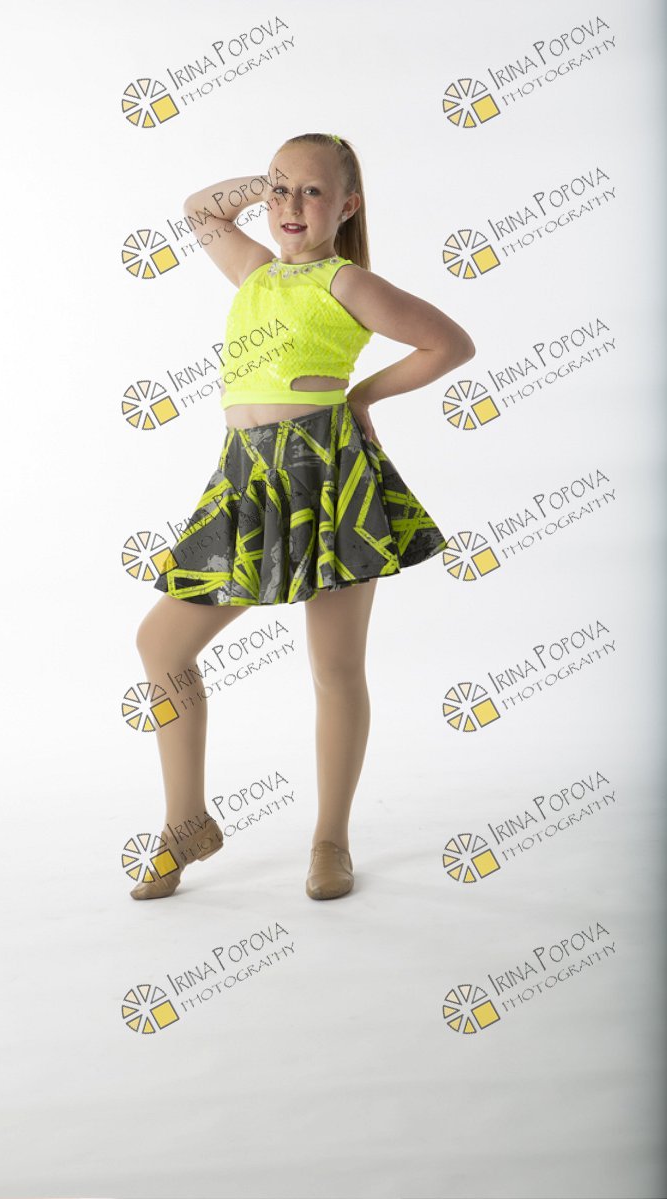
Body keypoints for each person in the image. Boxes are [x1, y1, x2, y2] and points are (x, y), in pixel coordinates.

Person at [131, 132, 475, 902]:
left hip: (328, 473)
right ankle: (187, 822)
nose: (290, 204)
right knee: (161, 642)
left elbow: (448, 343)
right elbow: (198, 210)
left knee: (335, 667)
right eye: (280, 189)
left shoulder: (346, 281)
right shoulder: (252, 269)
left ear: (348, 205)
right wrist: (272, 182)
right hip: (244, 478)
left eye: (312, 191)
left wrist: (363, 395)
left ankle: (331, 839)